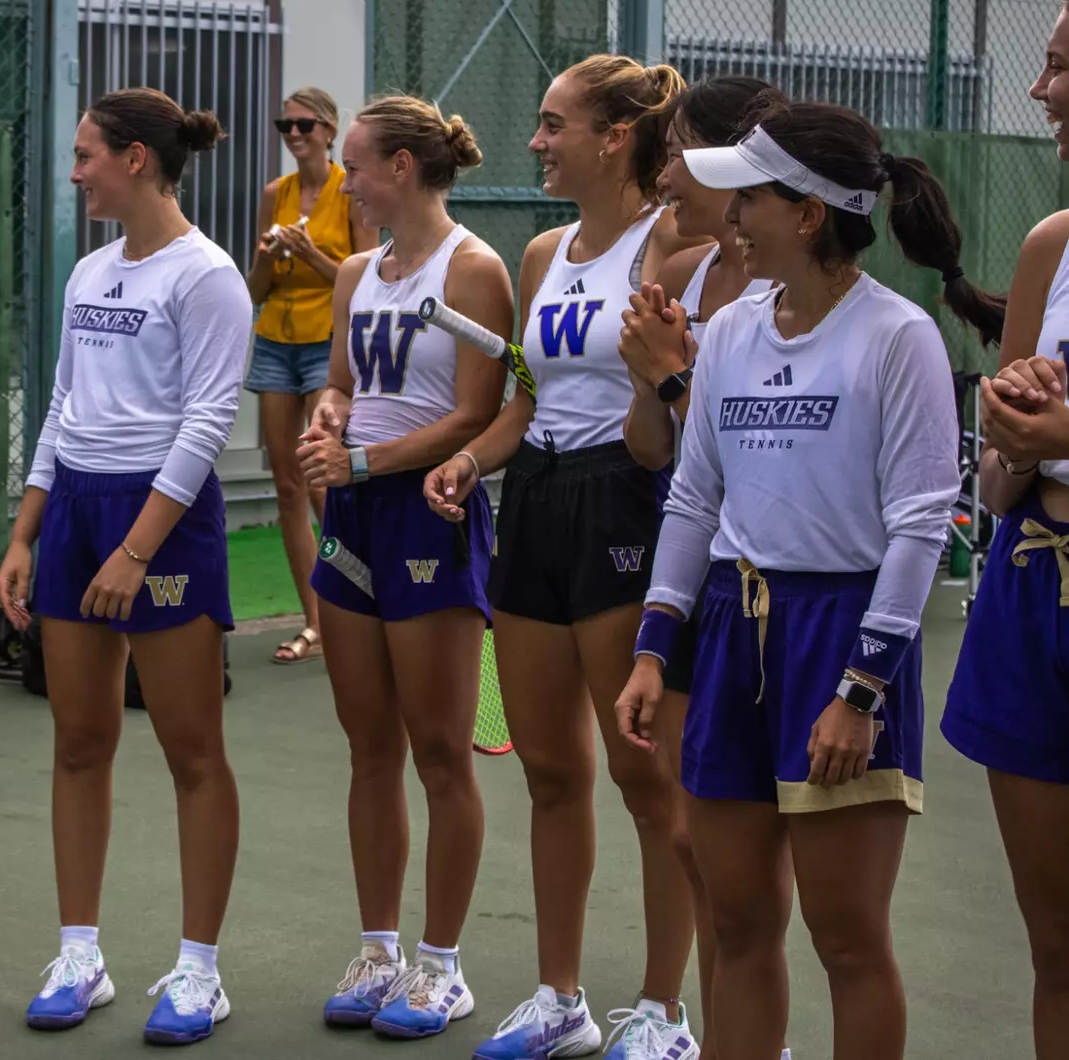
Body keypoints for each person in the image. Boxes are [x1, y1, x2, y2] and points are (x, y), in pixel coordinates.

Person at [615, 99, 1001, 1060]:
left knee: (847, 941)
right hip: (731, 631)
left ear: (809, 214)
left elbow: (919, 526)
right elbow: (693, 501)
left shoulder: (898, 338)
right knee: (739, 927)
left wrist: (858, 691)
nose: (731, 209)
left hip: (843, 637)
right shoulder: (735, 333)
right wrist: (654, 651)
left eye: (751, 192)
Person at [426, 54, 704, 1059]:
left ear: (615, 137)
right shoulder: (542, 253)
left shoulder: (668, 238)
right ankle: (561, 997)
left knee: (647, 781)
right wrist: (468, 457)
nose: (536, 142)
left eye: (552, 125)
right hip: (535, 499)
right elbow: (525, 404)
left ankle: (665, 1010)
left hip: (625, 495)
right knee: (550, 770)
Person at [0, 87, 250, 1046]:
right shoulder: (90, 272)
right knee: (78, 741)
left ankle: (198, 972)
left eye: (87, 154)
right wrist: (27, 533)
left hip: (165, 521)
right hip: (76, 514)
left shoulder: (208, 276)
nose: (75, 170)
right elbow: (63, 408)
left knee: (191, 752)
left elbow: (206, 422)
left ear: (136, 159)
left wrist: (138, 550)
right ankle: (79, 954)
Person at [299, 94, 512, 1040]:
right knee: (369, 746)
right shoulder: (355, 271)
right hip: (353, 518)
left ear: (405, 170)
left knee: (437, 750)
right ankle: (377, 949)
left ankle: (441, 965)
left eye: (357, 164)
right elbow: (344, 381)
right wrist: (328, 419)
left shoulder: (475, 271)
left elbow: (477, 414)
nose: (345, 179)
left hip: (428, 514)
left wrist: (364, 459)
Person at [616, 75, 792, 1060]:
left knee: (750, 868)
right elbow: (657, 451)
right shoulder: (686, 275)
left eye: (683, 151)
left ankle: (754, 1036)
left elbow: (757, 457)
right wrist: (653, 381)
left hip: (777, 589)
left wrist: (677, 380)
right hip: (699, 577)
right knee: (694, 838)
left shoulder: (788, 291)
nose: (667, 172)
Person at [942, 0, 1069, 1060]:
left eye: (1061, 65)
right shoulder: (1049, 245)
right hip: (1032, 588)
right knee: (1056, 945)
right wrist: (1017, 439)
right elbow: (994, 481)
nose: (1041, 90)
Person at [243, 86, 379, 665]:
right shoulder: (277, 194)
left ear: (328, 129)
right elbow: (255, 291)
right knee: (288, 484)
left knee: (326, 486)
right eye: (285, 126)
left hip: (329, 344)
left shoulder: (350, 191)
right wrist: (269, 256)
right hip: (277, 341)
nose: (293, 136)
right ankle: (313, 621)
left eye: (303, 126)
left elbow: (363, 277)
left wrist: (310, 253)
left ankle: (359, 599)